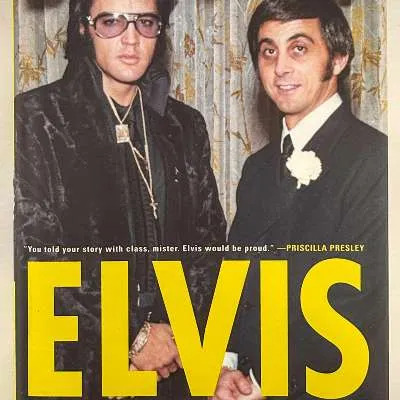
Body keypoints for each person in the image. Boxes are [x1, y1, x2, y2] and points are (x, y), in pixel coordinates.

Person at [14, 0, 226, 398]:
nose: (131, 39)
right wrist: (132, 334)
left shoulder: (184, 125)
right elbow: (36, 255)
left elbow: (208, 242)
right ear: (84, 27)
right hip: (80, 366)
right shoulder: (36, 118)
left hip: (173, 366)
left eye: (145, 22)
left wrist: (175, 339)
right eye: (111, 22)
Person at [212, 0, 387, 399]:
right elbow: (236, 281)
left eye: (299, 48)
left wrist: (266, 387)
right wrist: (222, 365)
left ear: (338, 58)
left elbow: (355, 308)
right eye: (268, 51)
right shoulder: (257, 168)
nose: (280, 68)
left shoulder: (377, 160)